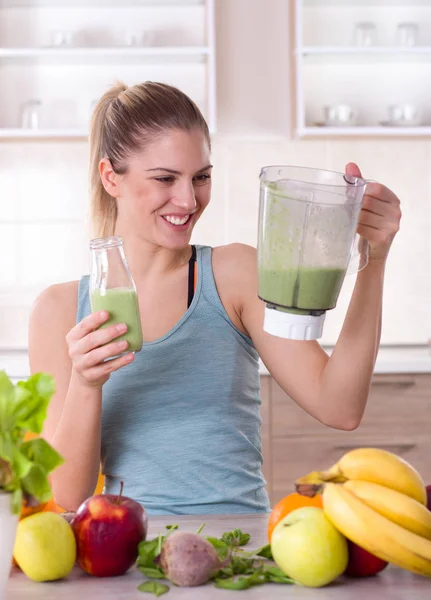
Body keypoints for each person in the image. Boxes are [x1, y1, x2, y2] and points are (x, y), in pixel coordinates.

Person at [29, 81, 401, 516]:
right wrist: (87, 383)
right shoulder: (58, 313)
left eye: (201, 177)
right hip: (128, 554)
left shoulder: (233, 276)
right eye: (166, 178)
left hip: (239, 552)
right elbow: (68, 497)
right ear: (111, 176)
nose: (188, 200)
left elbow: (340, 406)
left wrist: (374, 259)